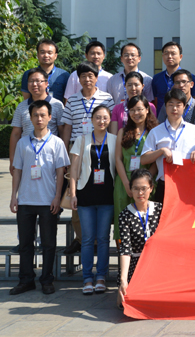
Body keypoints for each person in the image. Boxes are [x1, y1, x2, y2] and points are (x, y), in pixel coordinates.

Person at [9, 100, 69, 296]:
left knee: (48, 244)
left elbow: (61, 173)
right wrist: (14, 196)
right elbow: (17, 171)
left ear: (50, 117)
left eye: (43, 115)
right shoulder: (22, 143)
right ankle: (26, 280)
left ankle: (46, 280)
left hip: (48, 201)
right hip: (25, 200)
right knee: (25, 244)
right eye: (35, 115)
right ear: (31, 117)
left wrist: (57, 197)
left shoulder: (57, 143)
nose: (39, 118)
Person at [68, 105, 117, 295]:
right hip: (85, 196)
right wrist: (73, 194)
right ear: (91, 120)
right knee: (87, 239)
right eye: (98, 117)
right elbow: (74, 171)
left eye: (105, 118)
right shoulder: (81, 140)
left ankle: (101, 277)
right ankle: (87, 278)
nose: (101, 121)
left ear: (109, 120)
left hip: (107, 197)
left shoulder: (114, 140)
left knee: (103, 239)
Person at [113, 95, 158, 245]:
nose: (136, 113)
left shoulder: (154, 132)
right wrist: (127, 184)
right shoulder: (123, 131)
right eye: (132, 110)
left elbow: (157, 161)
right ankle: (123, 256)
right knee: (123, 222)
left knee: (146, 222)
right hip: (124, 182)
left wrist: (146, 182)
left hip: (146, 183)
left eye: (139, 109)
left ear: (147, 110)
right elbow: (118, 159)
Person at [117, 169, 162, 308]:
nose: (140, 193)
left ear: (151, 188)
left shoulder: (160, 210)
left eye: (144, 188)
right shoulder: (125, 215)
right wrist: (123, 280)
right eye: (136, 188)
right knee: (127, 304)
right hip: (136, 266)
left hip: (157, 264)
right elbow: (125, 249)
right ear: (130, 189)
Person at [9, 67, 65, 175]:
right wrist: (12, 160)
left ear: (46, 83)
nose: (34, 84)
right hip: (26, 155)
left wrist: (63, 158)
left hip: (50, 156)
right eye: (31, 81)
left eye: (38, 81)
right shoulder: (21, 106)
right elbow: (15, 134)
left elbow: (62, 132)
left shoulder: (57, 105)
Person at [59, 62, 116, 150]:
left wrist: (112, 147)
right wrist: (65, 150)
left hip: (100, 146)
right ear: (79, 79)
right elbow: (67, 128)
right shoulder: (71, 100)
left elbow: (111, 124)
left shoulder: (107, 98)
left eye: (90, 76)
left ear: (96, 78)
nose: (87, 79)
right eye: (83, 76)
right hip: (76, 146)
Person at [159, 69, 195, 145]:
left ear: (191, 84)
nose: (181, 85)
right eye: (177, 82)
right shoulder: (167, 106)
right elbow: (160, 126)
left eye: (184, 82)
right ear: (174, 85)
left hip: (193, 148)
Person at [151, 41, 195, 114]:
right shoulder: (156, 78)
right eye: (166, 53)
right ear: (163, 56)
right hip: (162, 118)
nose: (169, 56)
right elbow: (155, 101)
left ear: (180, 57)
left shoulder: (189, 77)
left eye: (173, 53)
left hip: (184, 117)